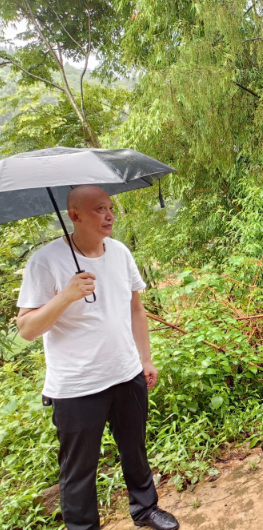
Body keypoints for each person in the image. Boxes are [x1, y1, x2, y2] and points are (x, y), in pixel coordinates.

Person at [16, 186, 179, 530]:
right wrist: (68, 295)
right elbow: (27, 329)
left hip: (126, 372)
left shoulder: (119, 252)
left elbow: (136, 309)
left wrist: (145, 359)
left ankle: (145, 509)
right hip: (77, 386)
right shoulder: (45, 261)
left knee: (134, 449)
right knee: (78, 470)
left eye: (110, 207)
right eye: (98, 209)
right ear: (73, 216)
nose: (109, 215)